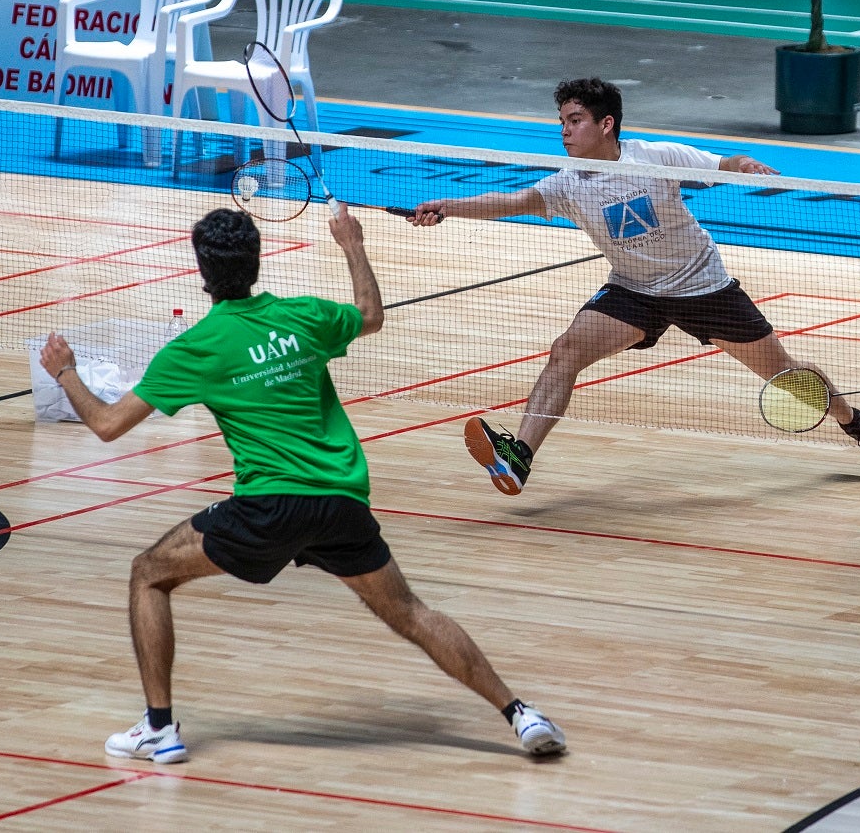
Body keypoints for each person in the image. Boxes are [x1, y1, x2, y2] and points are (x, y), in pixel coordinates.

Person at [39, 207, 565, 760]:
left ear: (201, 270)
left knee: (148, 573)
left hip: (268, 507)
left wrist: (65, 371)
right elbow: (369, 314)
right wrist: (351, 243)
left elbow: (105, 424)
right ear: (257, 262)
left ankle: (160, 729)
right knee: (411, 613)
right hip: (341, 503)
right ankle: (520, 715)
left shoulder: (195, 348)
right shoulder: (305, 316)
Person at [408, 77, 860, 495]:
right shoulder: (568, 182)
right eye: (561, 121)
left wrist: (743, 164)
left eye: (574, 120)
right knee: (566, 350)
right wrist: (447, 207)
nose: (564, 131)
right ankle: (518, 458)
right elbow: (511, 201)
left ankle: (850, 418)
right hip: (634, 291)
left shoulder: (655, 156)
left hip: (703, 288)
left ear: (606, 124)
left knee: (789, 377)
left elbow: (720, 166)